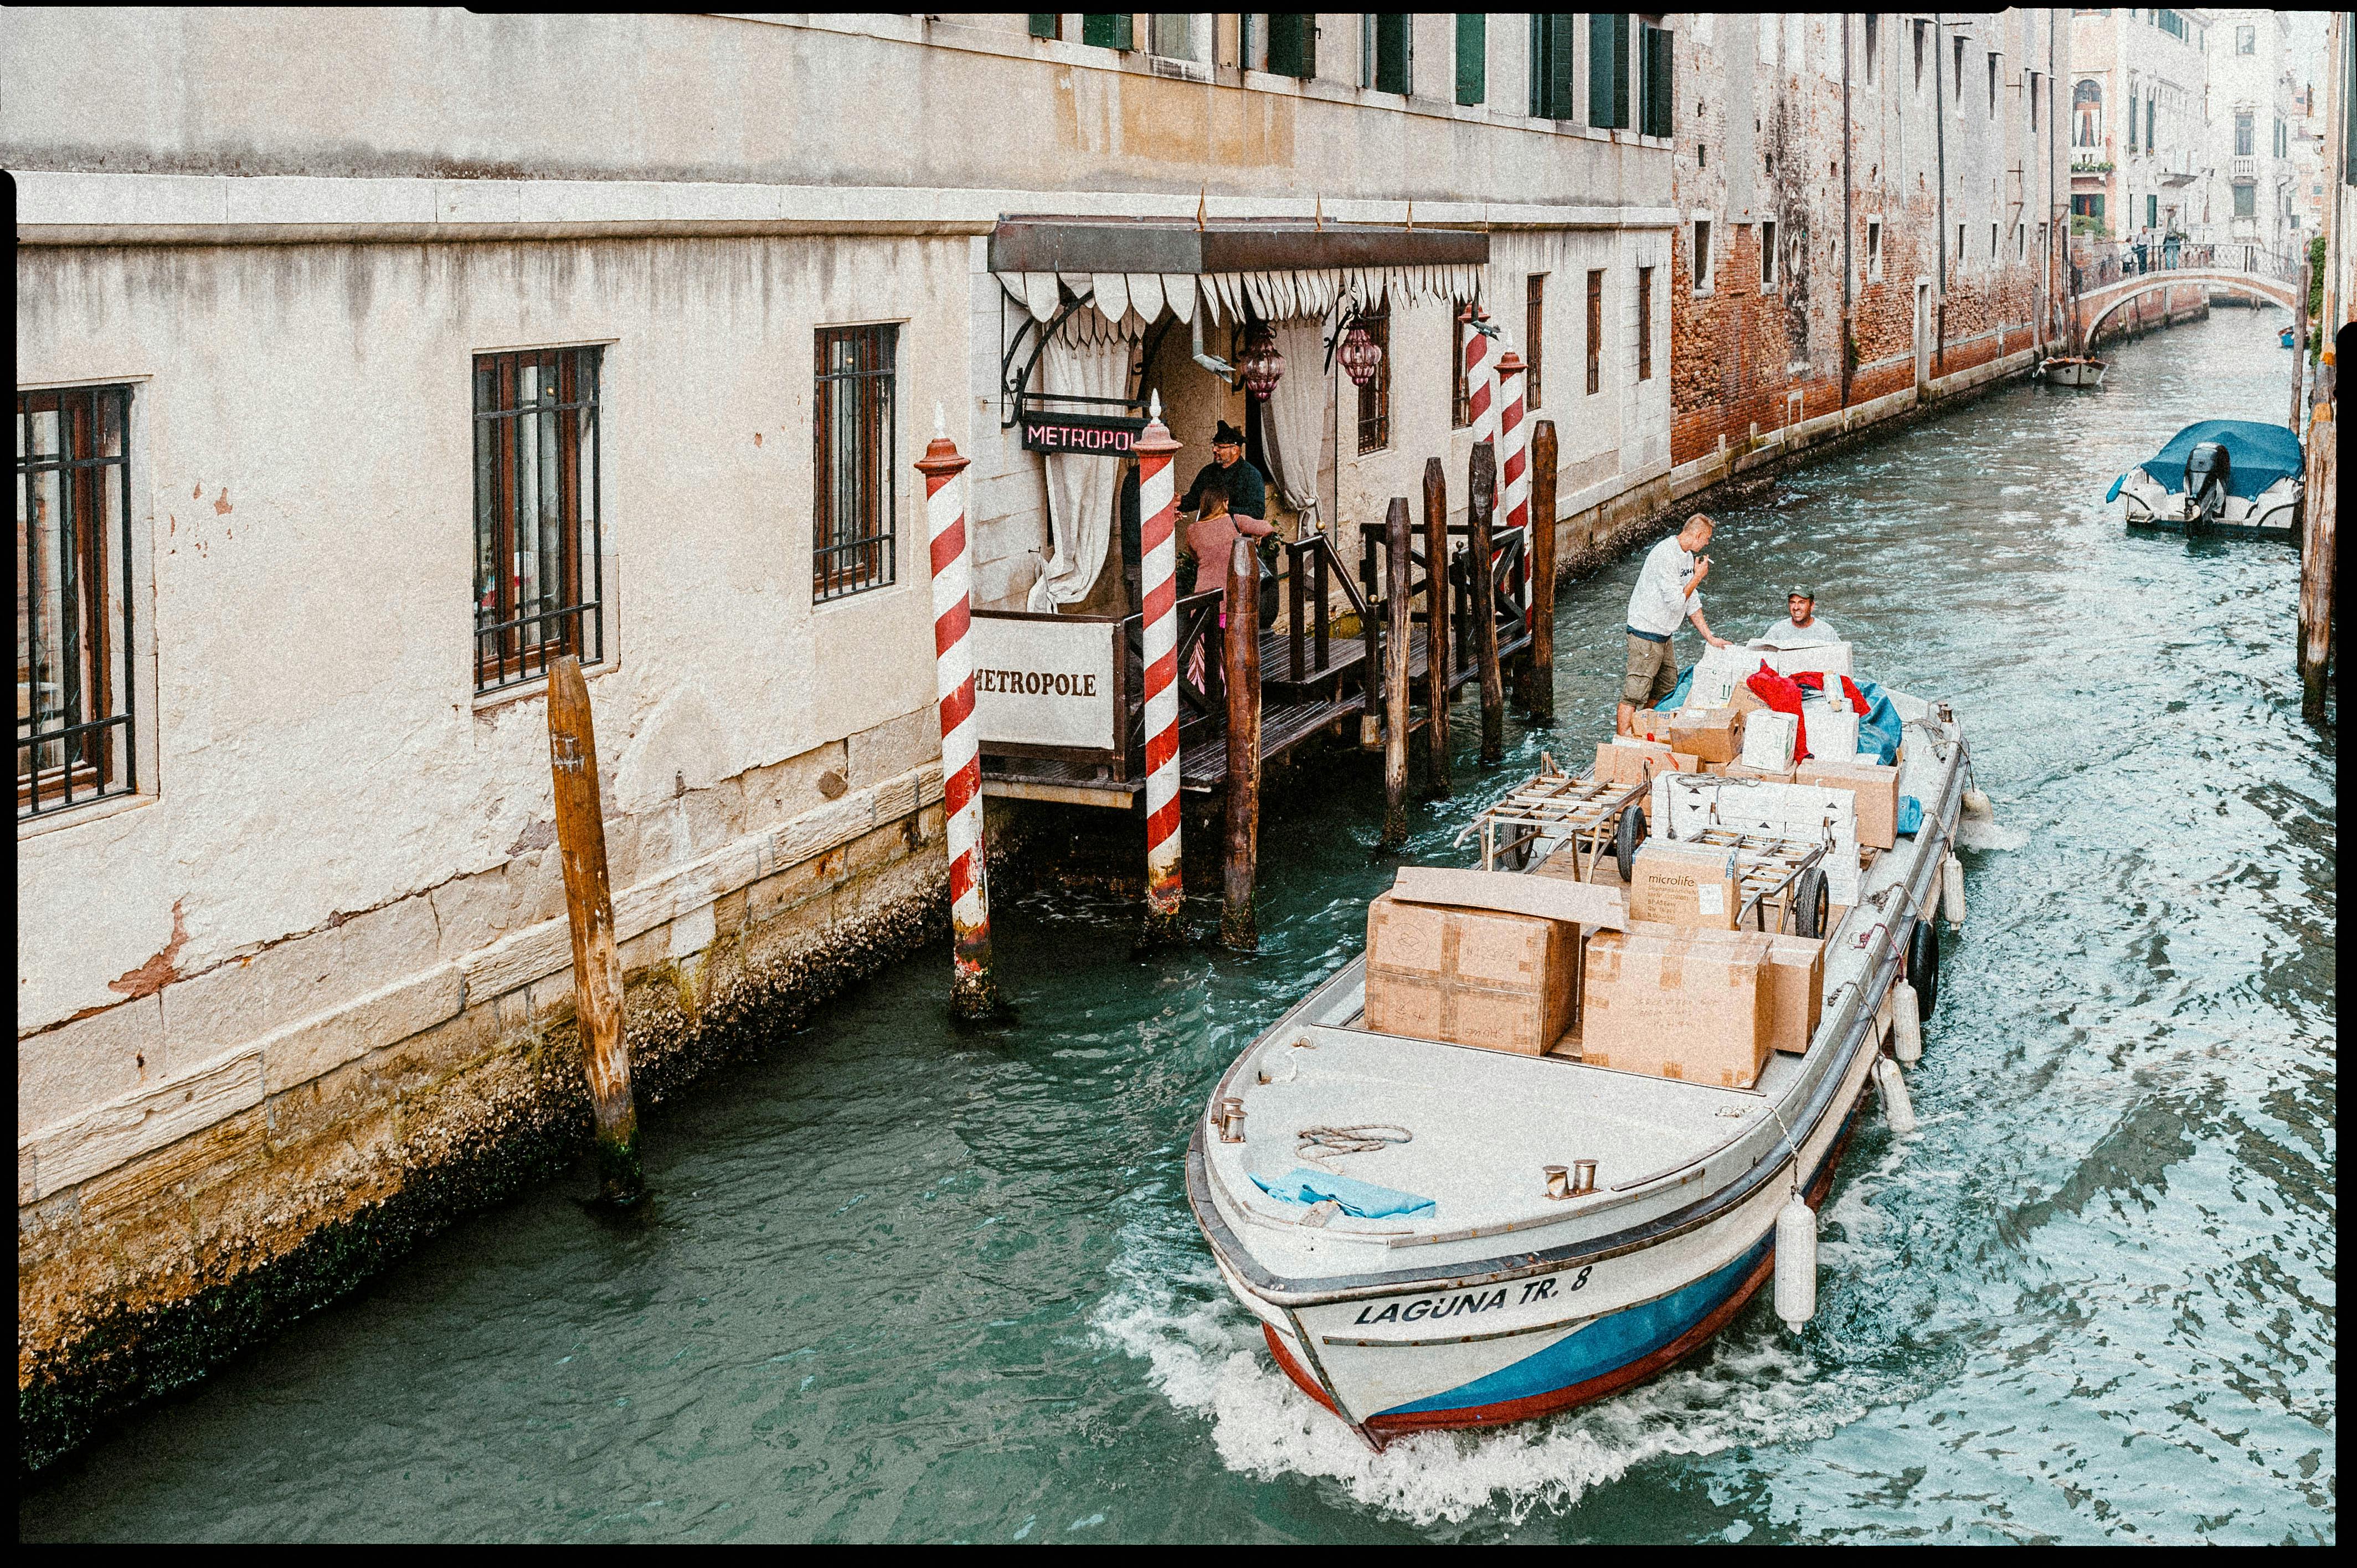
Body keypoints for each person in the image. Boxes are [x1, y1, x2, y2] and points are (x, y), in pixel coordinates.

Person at [1619, 513, 1730, 736]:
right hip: (1645, 633)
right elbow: (1676, 601)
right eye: (1707, 538)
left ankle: (1642, 732)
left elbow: (1691, 601)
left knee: (1666, 687)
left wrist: (1710, 637)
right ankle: (1623, 742)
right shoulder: (1665, 555)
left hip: (1664, 634)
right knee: (1634, 693)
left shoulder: (1687, 557)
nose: (1708, 543)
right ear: (1698, 535)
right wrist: (1698, 577)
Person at [1182, 420, 1267, 525]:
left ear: (1235, 450)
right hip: (1208, 533)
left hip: (1238, 535)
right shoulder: (1208, 472)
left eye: (1221, 447)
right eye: (1214, 445)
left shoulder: (1251, 475)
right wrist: (1180, 502)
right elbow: (1194, 500)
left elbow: (1257, 512)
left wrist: (1227, 509)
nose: (1214, 450)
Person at [1758, 586, 1839, 647]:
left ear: (1812, 606)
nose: (1796, 608)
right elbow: (1759, 657)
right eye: (1792, 603)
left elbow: (1841, 660)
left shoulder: (1826, 631)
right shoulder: (1777, 630)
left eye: (1802, 603)